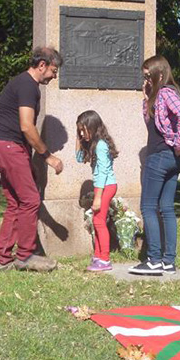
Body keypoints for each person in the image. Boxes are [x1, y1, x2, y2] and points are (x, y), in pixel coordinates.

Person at [0, 46, 65, 273]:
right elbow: (26, 126)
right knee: (30, 200)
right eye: (53, 69)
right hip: (9, 147)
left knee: (16, 203)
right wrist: (48, 156)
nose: (54, 75)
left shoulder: (22, 83)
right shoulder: (29, 86)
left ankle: (2, 260)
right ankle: (25, 256)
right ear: (42, 65)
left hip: (2, 147)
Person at [129, 55, 180, 276]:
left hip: (161, 156)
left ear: (160, 74)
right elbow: (152, 124)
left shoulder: (165, 92)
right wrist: (147, 99)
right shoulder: (158, 96)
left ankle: (154, 259)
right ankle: (168, 261)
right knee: (166, 208)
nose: (145, 80)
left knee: (148, 206)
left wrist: (179, 143)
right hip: (171, 159)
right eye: (144, 76)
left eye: (148, 76)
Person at [75, 110, 119, 272]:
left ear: (93, 127)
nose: (81, 133)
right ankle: (99, 255)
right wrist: (78, 138)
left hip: (106, 186)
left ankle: (105, 259)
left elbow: (102, 173)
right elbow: (79, 158)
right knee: (97, 221)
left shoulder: (101, 146)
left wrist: (98, 198)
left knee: (99, 222)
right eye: (79, 130)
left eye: (83, 129)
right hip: (102, 186)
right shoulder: (93, 143)